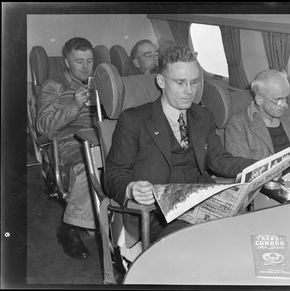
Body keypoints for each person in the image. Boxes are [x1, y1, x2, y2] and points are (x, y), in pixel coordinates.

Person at [104, 45, 256, 244]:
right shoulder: (134, 120)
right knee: (200, 244)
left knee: (248, 235)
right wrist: (131, 188)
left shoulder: (202, 116)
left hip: (204, 203)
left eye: (194, 82)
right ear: (161, 81)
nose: (189, 91)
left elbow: (219, 160)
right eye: (180, 83)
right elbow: (113, 174)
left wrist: (259, 166)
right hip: (160, 214)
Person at [36, 37, 97, 260]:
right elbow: (43, 125)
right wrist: (74, 106)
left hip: (102, 135)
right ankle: (69, 226)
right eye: (79, 61)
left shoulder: (100, 82)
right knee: (86, 167)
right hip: (70, 140)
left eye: (90, 61)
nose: (85, 67)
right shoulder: (54, 86)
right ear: (66, 62)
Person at [225, 69, 290, 175]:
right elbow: (241, 171)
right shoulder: (238, 125)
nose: (285, 105)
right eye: (278, 99)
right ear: (259, 99)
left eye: (286, 98)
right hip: (267, 185)